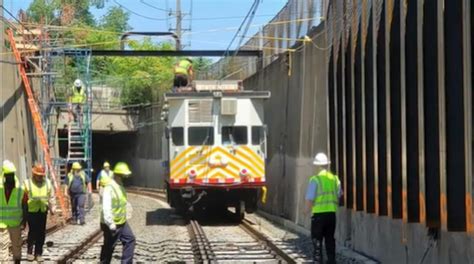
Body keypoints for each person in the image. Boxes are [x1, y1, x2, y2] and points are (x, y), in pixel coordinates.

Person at [305, 152, 342, 264]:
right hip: (331, 215)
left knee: (317, 240)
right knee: (330, 239)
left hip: (319, 216)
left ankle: (318, 261)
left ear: (317, 165)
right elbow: (340, 194)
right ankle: (331, 261)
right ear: (327, 165)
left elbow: (310, 198)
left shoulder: (315, 180)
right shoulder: (335, 179)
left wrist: (306, 211)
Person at [100, 162, 135, 264]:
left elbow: (122, 203)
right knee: (109, 247)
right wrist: (110, 223)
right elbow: (106, 207)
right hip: (111, 223)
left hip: (122, 222)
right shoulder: (109, 188)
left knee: (130, 239)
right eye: (123, 176)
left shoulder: (120, 186)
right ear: (117, 176)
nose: (124, 178)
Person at [24, 164, 56, 262]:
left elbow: (51, 196)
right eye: (38, 175)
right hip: (31, 211)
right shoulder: (27, 183)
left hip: (42, 211)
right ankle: (30, 252)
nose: (40, 177)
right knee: (32, 232)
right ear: (34, 174)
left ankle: (38, 253)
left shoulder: (47, 183)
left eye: (41, 175)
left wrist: (52, 209)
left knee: (41, 233)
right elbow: (23, 199)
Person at [0, 160, 27, 264]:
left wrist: (24, 221)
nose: (10, 177)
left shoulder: (20, 190)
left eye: (11, 175)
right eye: (8, 175)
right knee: (3, 246)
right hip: (2, 224)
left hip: (15, 224)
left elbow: (25, 206)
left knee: (16, 246)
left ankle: (17, 261)